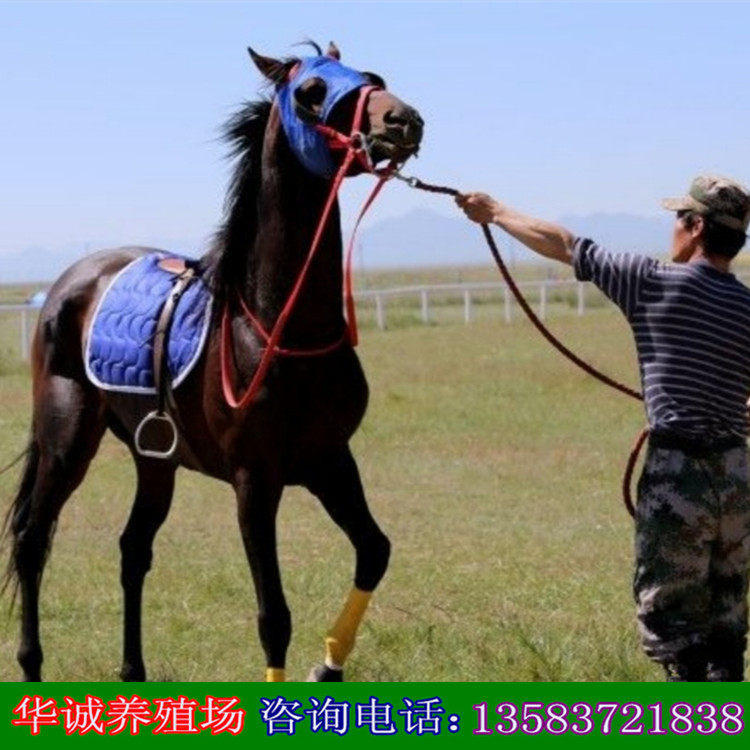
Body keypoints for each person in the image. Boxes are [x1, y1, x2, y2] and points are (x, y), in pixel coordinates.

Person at [456, 175, 750, 681]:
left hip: (679, 476)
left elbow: (567, 245)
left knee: (676, 632)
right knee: (726, 626)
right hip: (737, 478)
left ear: (697, 227)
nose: (672, 229)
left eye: (678, 219)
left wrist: (495, 211)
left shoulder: (651, 281)